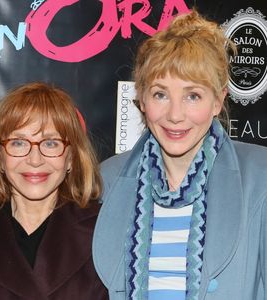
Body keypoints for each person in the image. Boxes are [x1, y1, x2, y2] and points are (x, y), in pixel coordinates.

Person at [93, 10, 267, 300]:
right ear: (142, 100)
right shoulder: (106, 181)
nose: (175, 115)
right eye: (160, 94)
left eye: (192, 96)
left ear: (218, 100)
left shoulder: (260, 177)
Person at [0, 82, 108, 299]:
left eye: (50, 143)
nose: (35, 160)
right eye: (19, 143)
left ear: (70, 157)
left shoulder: (105, 232)